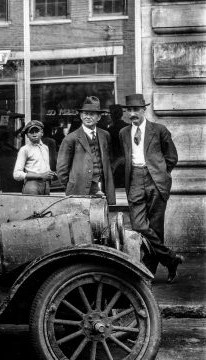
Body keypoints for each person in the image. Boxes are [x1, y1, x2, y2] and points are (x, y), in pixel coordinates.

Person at [118, 93, 183, 282]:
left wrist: (161, 173)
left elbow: (172, 157)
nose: (132, 114)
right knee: (139, 225)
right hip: (135, 180)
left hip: (156, 180)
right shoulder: (123, 133)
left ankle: (150, 271)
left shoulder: (159, 129)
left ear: (143, 110)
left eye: (136, 110)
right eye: (129, 110)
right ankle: (171, 259)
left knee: (155, 227)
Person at [57, 96, 116, 205]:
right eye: (85, 114)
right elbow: (62, 170)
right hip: (79, 189)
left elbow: (110, 161)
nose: (88, 117)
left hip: (102, 186)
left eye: (92, 114)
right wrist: (74, 185)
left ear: (98, 117)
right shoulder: (71, 139)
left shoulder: (105, 135)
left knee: (100, 219)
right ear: (80, 116)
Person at [13, 121, 56, 195]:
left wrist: (51, 174)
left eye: (37, 131)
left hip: (46, 186)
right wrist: (41, 175)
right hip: (32, 186)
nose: (34, 134)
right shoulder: (25, 149)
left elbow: (44, 167)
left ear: (42, 133)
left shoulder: (45, 148)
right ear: (27, 135)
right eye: (31, 132)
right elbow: (16, 174)